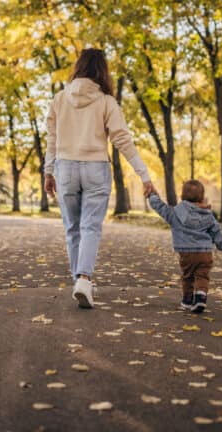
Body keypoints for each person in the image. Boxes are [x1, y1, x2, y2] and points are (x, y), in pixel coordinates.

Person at [44, 48, 156, 308]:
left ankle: (80, 281)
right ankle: (84, 279)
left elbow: (52, 138)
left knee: (72, 229)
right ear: (101, 70)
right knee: (90, 227)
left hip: (65, 167)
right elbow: (122, 139)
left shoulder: (59, 99)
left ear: (78, 68)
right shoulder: (107, 101)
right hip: (96, 167)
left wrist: (48, 171)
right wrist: (144, 173)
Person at [146, 180, 222, 313]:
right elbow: (216, 231)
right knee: (202, 275)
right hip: (205, 252)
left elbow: (161, 208)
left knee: (188, 276)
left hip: (186, 253)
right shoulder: (208, 215)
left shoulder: (175, 213)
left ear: (181, 196)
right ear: (202, 197)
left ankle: (187, 301)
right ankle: (200, 298)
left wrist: (152, 196)